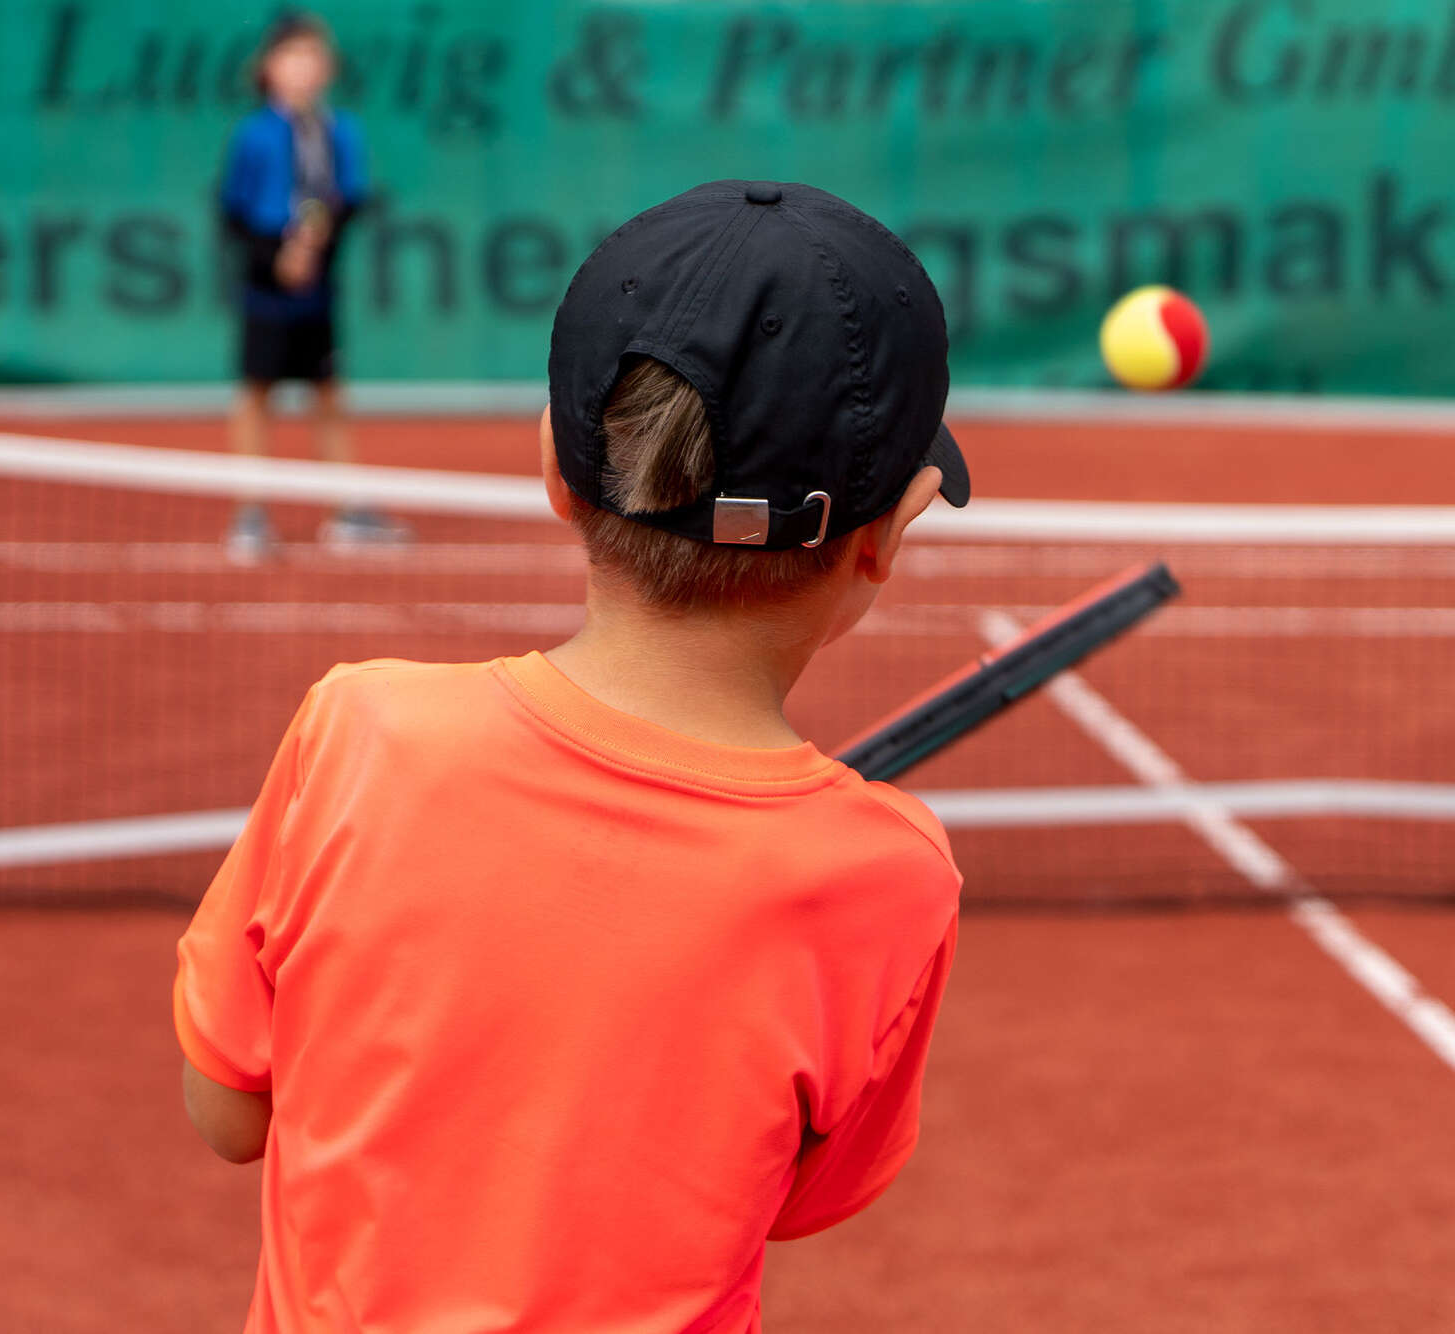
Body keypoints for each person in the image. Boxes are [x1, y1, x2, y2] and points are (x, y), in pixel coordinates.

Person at [175, 180, 972, 1332]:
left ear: (555, 466)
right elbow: (796, 1198)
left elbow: (229, 1109)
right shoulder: (889, 876)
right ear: (888, 536)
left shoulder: (356, 733)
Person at [218, 14, 398, 559]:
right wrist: (278, 259)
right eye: (293, 57)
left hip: (318, 289)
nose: (305, 68)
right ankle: (250, 514)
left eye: (314, 57)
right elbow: (232, 213)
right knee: (256, 392)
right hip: (265, 288)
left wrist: (315, 247)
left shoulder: (340, 131)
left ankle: (345, 511)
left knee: (328, 393)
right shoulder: (253, 135)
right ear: (268, 68)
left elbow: (346, 201)